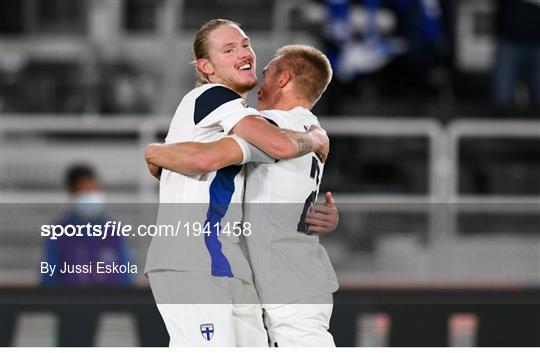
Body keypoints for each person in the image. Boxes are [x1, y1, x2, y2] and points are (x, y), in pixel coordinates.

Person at [144, 19, 333, 347]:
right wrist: (316, 138)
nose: (245, 53)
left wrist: (156, 151)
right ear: (207, 67)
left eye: (245, 44)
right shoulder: (212, 96)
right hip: (194, 257)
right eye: (229, 49)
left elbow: (265, 150)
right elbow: (274, 147)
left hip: (230, 261)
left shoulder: (254, 120)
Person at [41, 164, 133, 346]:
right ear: (73, 195)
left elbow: (126, 272)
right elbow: (49, 276)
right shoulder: (59, 232)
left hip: (110, 319)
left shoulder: (113, 231)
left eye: (93, 189)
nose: (91, 195)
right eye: (84, 191)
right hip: (70, 316)